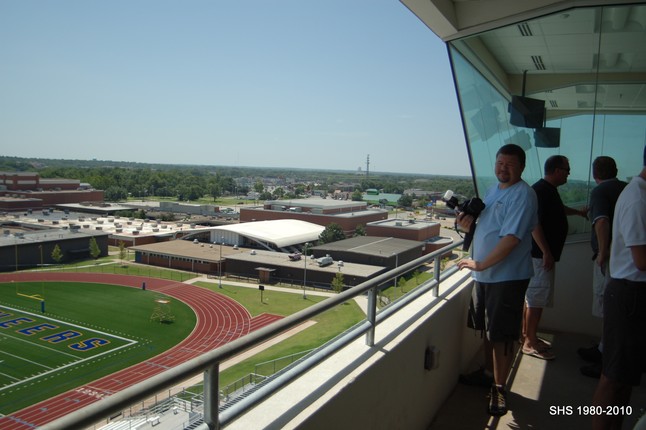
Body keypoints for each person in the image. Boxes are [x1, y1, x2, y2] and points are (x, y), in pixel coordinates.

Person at [456, 143, 537, 416]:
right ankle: (489, 374)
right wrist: (465, 225)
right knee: (488, 330)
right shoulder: (493, 191)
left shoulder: (523, 195)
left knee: (501, 335)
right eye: (500, 163)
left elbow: (512, 239)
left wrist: (480, 263)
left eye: (510, 164)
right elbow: (485, 226)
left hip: (506, 277)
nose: (503, 168)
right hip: (485, 275)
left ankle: (499, 389)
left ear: (522, 167)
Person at [591, 146, 646, 430]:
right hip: (630, 295)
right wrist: (603, 253)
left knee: (623, 378)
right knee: (613, 379)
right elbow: (641, 260)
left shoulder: (635, 193)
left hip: (630, 292)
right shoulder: (637, 198)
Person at [521, 155, 587, 360]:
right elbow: (534, 224)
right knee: (536, 300)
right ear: (557, 171)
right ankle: (529, 342)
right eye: (567, 170)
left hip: (541, 256)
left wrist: (577, 213)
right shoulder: (541, 191)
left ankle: (528, 335)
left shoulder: (548, 190)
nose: (569, 174)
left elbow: (557, 210)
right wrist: (546, 252)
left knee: (535, 299)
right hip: (539, 257)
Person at [579, 156, 627, 378]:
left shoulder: (600, 191)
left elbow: (601, 221)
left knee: (609, 309)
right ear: (615, 170)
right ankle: (603, 349)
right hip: (626, 259)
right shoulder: (626, 189)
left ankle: (607, 360)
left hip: (610, 259)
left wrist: (602, 251)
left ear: (594, 173)